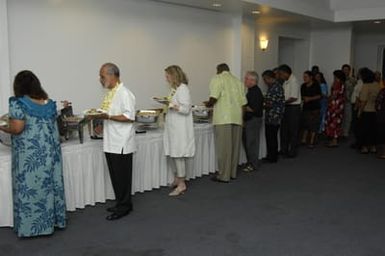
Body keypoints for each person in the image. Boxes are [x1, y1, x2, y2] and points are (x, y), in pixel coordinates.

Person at [0, 70, 66, 237]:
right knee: (48, 186)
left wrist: (1, 126)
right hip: (50, 153)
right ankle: (53, 222)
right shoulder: (50, 104)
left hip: (29, 155)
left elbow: (17, 128)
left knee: (30, 188)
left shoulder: (18, 103)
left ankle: (31, 228)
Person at [90, 63, 136, 220]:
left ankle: (125, 206)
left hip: (121, 142)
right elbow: (109, 114)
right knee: (115, 176)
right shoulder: (110, 93)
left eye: (102, 76)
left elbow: (129, 117)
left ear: (112, 75)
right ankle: (120, 203)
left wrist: (108, 117)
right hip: (110, 141)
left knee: (122, 176)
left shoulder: (125, 93)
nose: (100, 79)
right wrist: (100, 123)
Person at [205, 63, 247, 182]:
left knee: (224, 148)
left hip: (223, 118)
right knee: (234, 147)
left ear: (218, 70)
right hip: (237, 118)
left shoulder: (217, 78)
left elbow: (214, 97)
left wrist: (208, 104)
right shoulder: (238, 82)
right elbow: (244, 103)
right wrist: (242, 119)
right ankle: (232, 173)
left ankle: (223, 175)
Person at [163, 65, 195, 196]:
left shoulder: (183, 89)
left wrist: (171, 105)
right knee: (173, 153)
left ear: (174, 75)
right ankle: (177, 178)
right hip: (173, 126)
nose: (166, 78)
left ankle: (182, 184)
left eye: (167, 75)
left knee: (178, 155)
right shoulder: (174, 89)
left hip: (180, 128)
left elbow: (186, 109)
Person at [278, 64, 301, 158]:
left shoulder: (294, 81)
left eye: (281, 74)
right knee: (284, 130)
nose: (280, 76)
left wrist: (282, 102)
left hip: (293, 108)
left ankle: (292, 151)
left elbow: (293, 98)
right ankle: (284, 149)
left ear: (286, 73)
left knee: (293, 130)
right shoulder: (286, 81)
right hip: (287, 107)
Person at [262, 70, 285, 163]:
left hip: (274, 115)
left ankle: (272, 157)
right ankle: (270, 155)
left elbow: (270, 103)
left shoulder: (275, 87)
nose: (264, 81)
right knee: (270, 136)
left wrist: (261, 104)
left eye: (265, 79)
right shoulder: (273, 87)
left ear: (269, 78)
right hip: (271, 115)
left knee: (272, 137)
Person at [242, 71, 263, 172]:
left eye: (246, 78)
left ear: (253, 80)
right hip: (250, 120)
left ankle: (253, 164)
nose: (244, 80)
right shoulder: (251, 91)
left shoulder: (255, 92)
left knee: (251, 143)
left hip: (253, 120)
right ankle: (251, 162)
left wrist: (242, 106)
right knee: (249, 142)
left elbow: (253, 109)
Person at [357, 68, 381, 154]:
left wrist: (359, 112)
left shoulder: (366, 85)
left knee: (364, 129)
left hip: (366, 110)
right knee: (373, 129)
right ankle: (373, 147)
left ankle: (365, 147)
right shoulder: (376, 84)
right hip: (374, 111)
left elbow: (363, 101)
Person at [300, 71, 322, 148]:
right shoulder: (303, 86)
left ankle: (312, 141)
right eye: (303, 77)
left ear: (311, 77)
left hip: (315, 107)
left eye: (306, 77)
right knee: (305, 123)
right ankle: (304, 139)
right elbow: (301, 95)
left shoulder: (316, 85)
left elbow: (319, 96)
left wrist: (310, 98)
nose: (304, 78)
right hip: (306, 107)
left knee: (314, 124)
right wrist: (304, 98)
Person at [325, 70, 346, 147]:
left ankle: (334, 141)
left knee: (334, 123)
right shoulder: (342, 84)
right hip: (338, 106)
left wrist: (328, 99)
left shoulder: (338, 84)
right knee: (336, 123)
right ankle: (334, 140)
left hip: (335, 107)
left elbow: (334, 95)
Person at [341, 64, 357, 139]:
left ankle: (345, 133)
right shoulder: (339, 79)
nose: (345, 71)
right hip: (339, 101)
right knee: (340, 117)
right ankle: (338, 133)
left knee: (348, 117)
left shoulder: (353, 80)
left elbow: (356, 91)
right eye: (344, 70)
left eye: (347, 70)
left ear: (349, 71)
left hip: (348, 101)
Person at [375, 86, 385, 158]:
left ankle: (383, 153)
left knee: (382, 134)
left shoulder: (382, 91)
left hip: (382, 115)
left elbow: (378, 103)